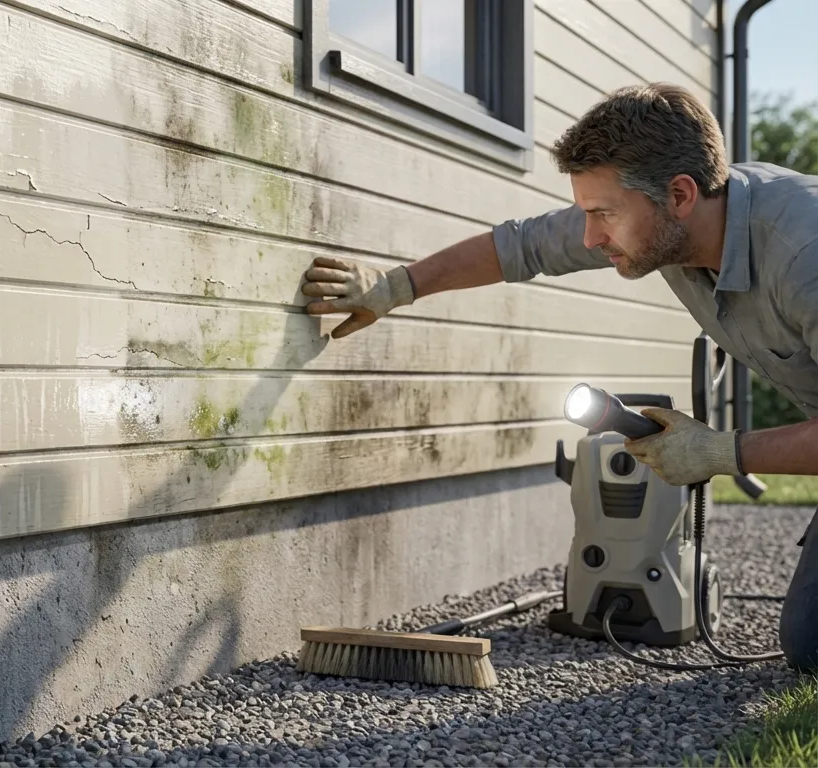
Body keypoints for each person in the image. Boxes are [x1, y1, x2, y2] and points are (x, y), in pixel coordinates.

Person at [298, 82, 818, 672]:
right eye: (586, 212)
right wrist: (396, 286)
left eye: (603, 214)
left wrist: (721, 452)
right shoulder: (670, 220)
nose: (592, 237)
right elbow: (522, 248)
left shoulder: (805, 251)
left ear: (679, 194)